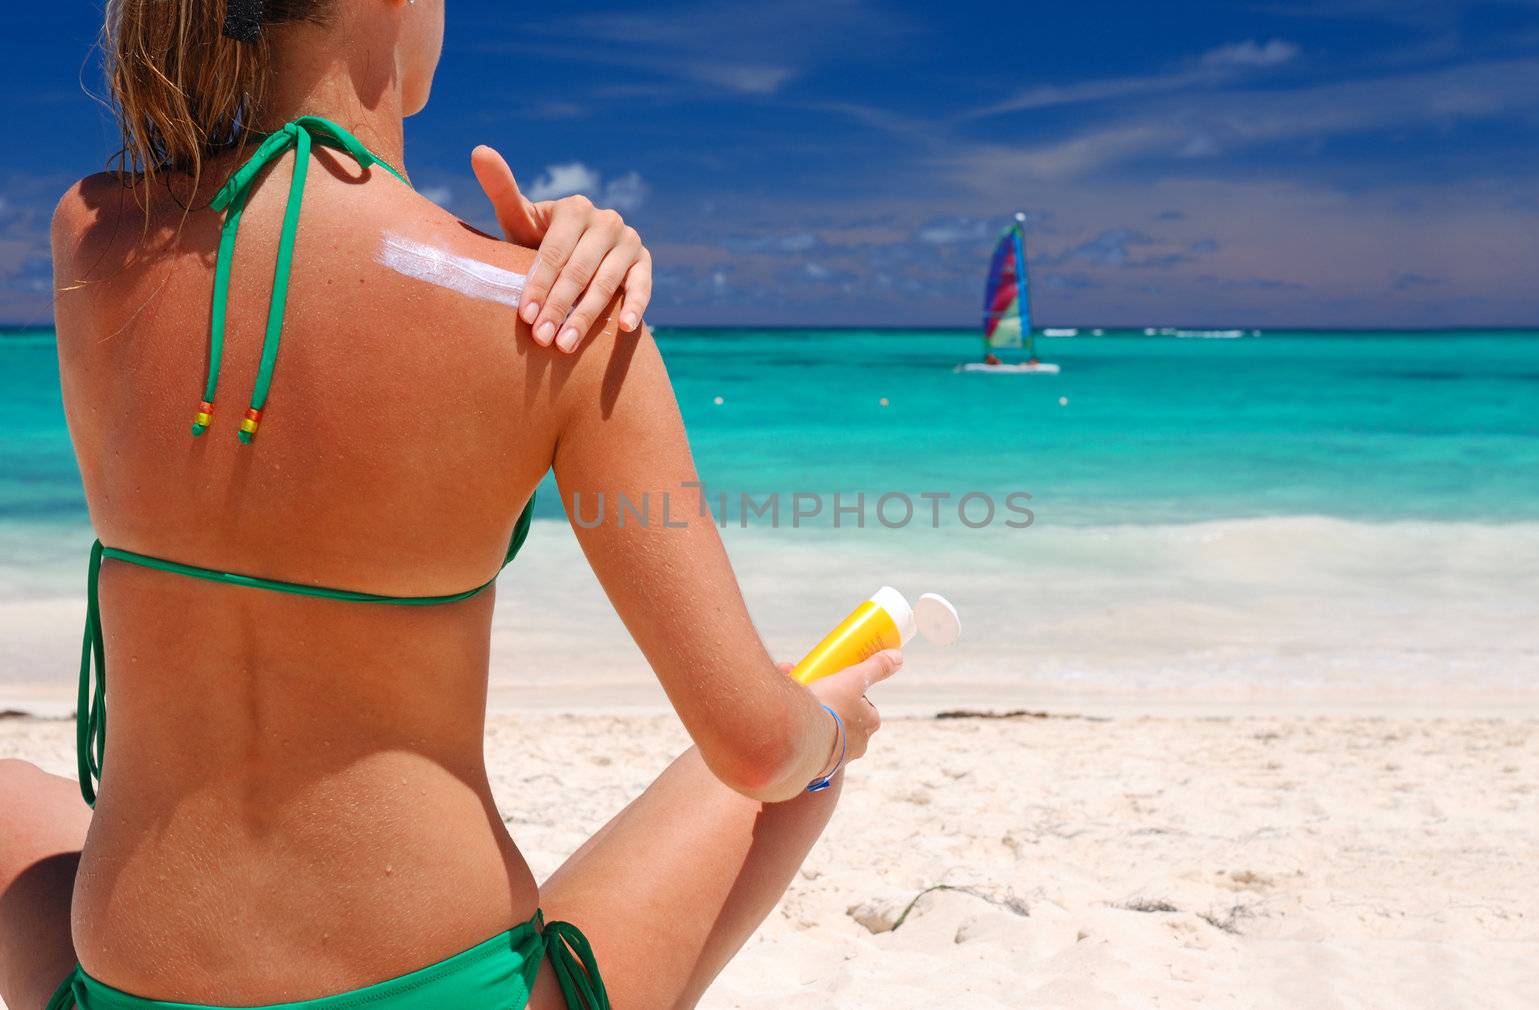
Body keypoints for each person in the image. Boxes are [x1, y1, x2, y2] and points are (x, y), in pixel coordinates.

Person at [0, 1, 898, 1008]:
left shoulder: (93, 235)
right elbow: (755, 749)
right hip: (441, 988)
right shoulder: (554, 320)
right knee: (791, 744)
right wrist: (827, 730)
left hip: (123, 986)